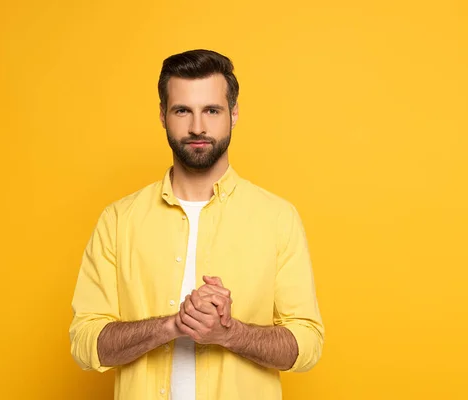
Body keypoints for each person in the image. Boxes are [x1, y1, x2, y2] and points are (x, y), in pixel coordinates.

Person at [69, 49, 324, 400]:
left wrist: (229, 333)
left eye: (212, 111)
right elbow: (86, 343)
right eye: (182, 111)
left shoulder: (278, 218)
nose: (197, 127)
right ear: (162, 115)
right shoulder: (118, 220)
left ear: (233, 114)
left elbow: (307, 344)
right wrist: (172, 325)